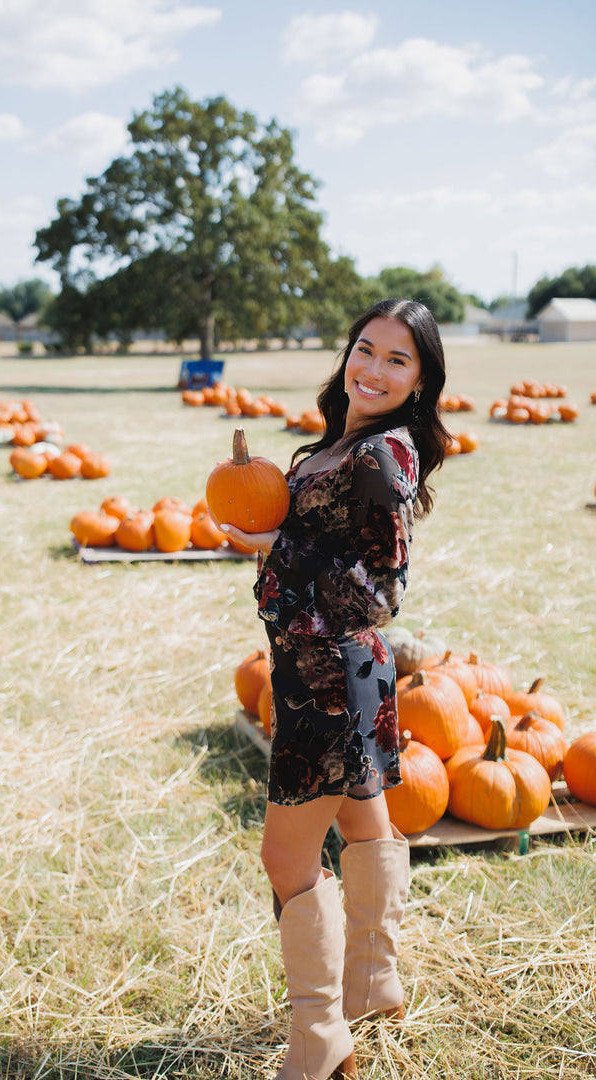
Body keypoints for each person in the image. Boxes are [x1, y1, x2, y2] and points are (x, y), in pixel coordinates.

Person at [215, 298, 450, 1080]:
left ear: (420, 382)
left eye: (397, 360)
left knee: (285, 861)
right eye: (365, 348)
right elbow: (314, 550)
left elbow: (384, 591)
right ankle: (372, 981)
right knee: (364, 822)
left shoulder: (384, 454)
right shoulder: (338, 443)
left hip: (331, 679)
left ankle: (320, 1040)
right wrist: (270, 540)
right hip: (333, 672)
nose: (373, 368)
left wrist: (279, 543)